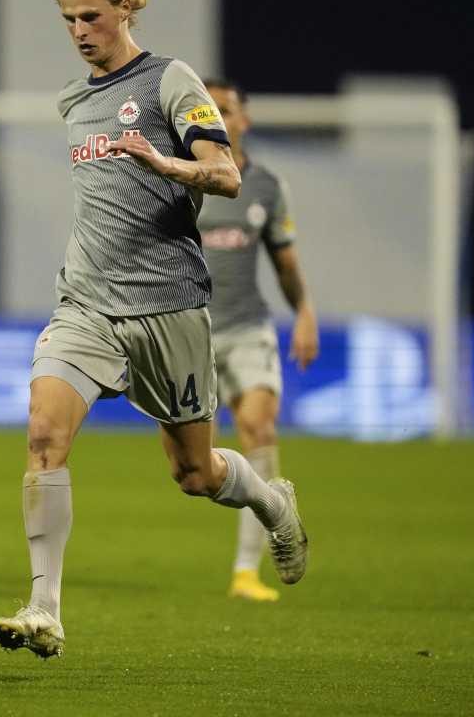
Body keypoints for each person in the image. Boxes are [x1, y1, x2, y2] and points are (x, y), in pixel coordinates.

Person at [0, 0, 308, 659]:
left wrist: (170, 165)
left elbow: (225, 174)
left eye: (91, 16)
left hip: (168, 306)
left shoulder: (170, 80)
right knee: (43, 433)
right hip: (86, 302)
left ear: (125, 8)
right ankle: (44, 610)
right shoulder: (74, 100)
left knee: (194, 474)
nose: (79, 31)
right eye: (68, 19)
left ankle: (271, 501)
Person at [198, 78, 320, 602]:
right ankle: (271, 507)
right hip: (189, 332)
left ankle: (248, 571)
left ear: (244, 119)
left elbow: (285, 263)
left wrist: (305, 313)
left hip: (248, 327)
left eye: (225, 110)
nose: (218, 119)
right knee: (194, 468)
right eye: (207, 111)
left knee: (257, 426)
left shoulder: (266, 186)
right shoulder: (177, 177)